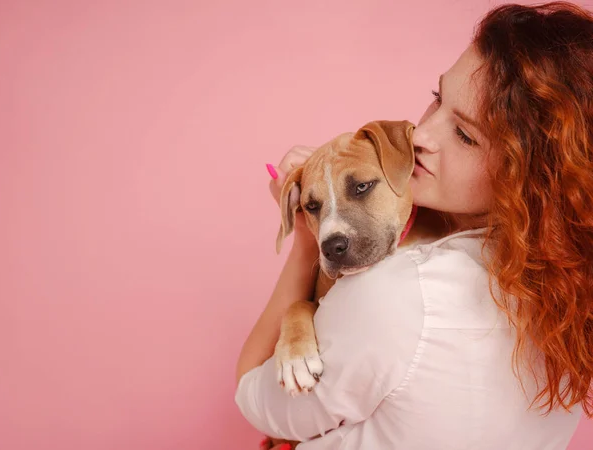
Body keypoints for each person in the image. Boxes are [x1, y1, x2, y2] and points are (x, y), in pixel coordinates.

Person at [235, 2, 593, 449]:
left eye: (464, 134)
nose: (418, 136)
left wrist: (305, 245)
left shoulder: (396, 293)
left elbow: (253, 395)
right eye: (437, 97)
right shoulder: (566, 302)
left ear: (528, 173)